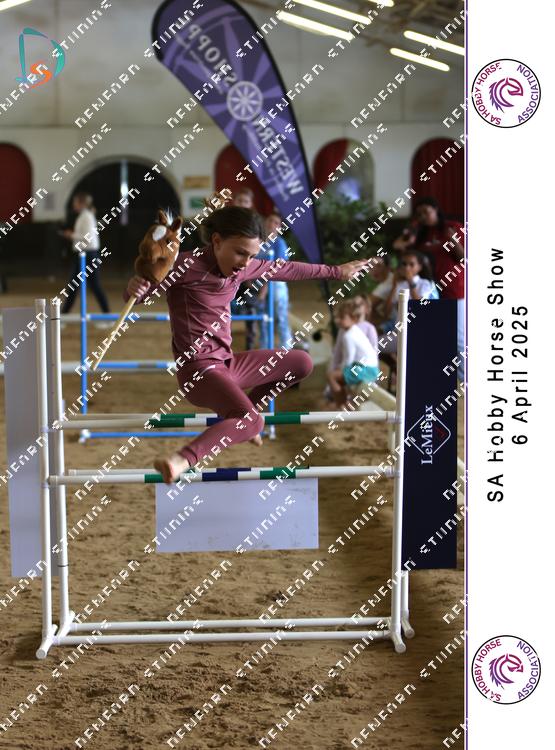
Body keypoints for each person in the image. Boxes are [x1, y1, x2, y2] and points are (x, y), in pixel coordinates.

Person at [124, 201, 371, 482]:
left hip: (227, 365)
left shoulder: (243, 268)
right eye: (240, 252)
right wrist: (135, 287)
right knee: (253, 423)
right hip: (197, 372)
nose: (245, 262)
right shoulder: (183, 265)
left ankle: (242, 419)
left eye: (252, 255)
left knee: (301, 362)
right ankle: (181, 460)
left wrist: (337, 272)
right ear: (217, 241)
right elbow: (138, 293)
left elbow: (288, 269)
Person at [393, 196, 465, 378]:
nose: (423, 216)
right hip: (430, 292)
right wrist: (402, 245)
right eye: (419, 214)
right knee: (438, 338)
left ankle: (465, 380)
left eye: (426, 212)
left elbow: (464, 258)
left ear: (436, 210)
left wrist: (453, 240)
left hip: (454, 290)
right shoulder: (420, 235)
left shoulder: (452, 227)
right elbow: (410, 261)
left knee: (459, 339)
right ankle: (442, 380)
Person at [59, 192, 111, 321]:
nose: (73, 205)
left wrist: (70, 235)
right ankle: (63, 316)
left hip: (88, 255)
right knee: (75, 286)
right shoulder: (85, 215)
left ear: (82, 203)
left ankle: (108, 316)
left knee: (93, 286)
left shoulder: (86, 216)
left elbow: (88, 237)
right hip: (84, 254)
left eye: (75, 202)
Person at [326, 299, 380, 410]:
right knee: (338, 376)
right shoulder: (354, 331)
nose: (337, 320)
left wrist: (340, 369)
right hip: (370, 368)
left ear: (354, 319)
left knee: (331, 376)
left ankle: (342, 405)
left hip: (365, 370)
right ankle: (345, 403)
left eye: (342, 317)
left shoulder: (348, 335)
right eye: (337, 317)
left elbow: (348, 359)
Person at [381, 250, 437, 353]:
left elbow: (420, 306)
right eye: (404, 264)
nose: (407, 268)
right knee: (374, 345)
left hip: (419, 332)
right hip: (399, 332)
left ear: (419, 267)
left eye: (411, 264)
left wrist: (410, 281)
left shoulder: (425, 284)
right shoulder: (399, 284)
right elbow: (386, 312)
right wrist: (394, 286)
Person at [257, 211, 293, 349]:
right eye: (270, 220)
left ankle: (286, 348)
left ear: (279, 228)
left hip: (276, 283)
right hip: (258, 283)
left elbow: (277, 269)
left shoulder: (280, 243)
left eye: (276, 223)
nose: (272, 224)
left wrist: (264, 290)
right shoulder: (257, 242)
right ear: (265, 222)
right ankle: (265, 348)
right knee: (263, 318)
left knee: (281, 316)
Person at [232, 187, 259, 349]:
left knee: (251, 306)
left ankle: (250, 345)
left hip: (248, 274)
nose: (242, 204)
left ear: (251, 204)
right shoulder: (225, 221)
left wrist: (249, 275)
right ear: (234, 202)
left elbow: (259, 251)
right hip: (228, 272)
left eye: (246, 201)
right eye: (240, 200)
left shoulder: (255, 224)